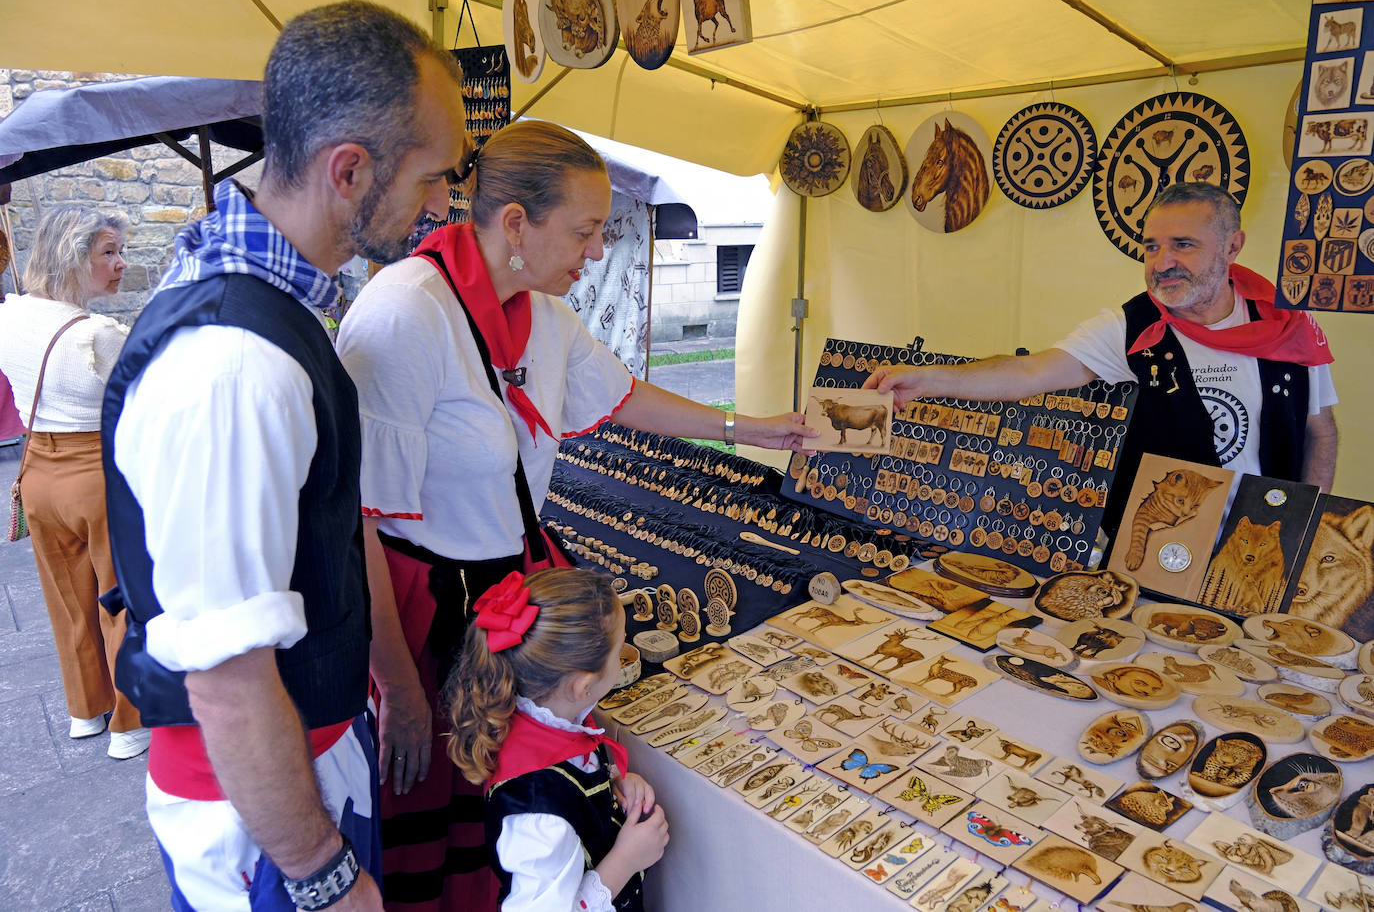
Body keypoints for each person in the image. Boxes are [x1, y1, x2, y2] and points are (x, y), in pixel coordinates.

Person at [335, 119, 811, 911]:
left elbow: (623, 396)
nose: (597, 252)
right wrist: (399, 687)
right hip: (427, 612)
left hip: (515, 590)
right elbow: (361, 524)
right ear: (516, 223)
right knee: (447, 809)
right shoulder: (405, 317)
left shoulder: (546, 318)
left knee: (527, 800)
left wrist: (751, 429)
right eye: (587, 232)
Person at [99, 2, 467, 910]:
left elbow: (327, 527)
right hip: (262, 820)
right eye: (432, 177)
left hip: (300, 767)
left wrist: (390, 681)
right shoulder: (233, 365)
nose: (443, 206)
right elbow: (226, 678)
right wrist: (323, 873)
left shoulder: (273, 313)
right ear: (350, 170)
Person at [867, 182, 1338, 536]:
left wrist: (1305, 529)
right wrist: (928, 378)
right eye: (1152, 246)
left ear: (1232, 246)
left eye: (1183, 245)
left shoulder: (1290, 327)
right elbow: (1030, 373)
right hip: (1158, 540)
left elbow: (1321, 433)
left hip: (1259, 537)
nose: (1162, 262)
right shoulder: (1131, 327)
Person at [0, 204, 148, 759]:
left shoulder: (7, 316)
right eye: (108, 252)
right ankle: (129, 725)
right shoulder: (99, 333)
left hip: (37, 468)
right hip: (96, 472)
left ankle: (86, 711)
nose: (120, 264)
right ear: (71, 256)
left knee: (66, 600)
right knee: (121, 597)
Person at [448, 568, 666, 912]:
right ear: (583, 686)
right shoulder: (536, 809)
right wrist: (627, 860)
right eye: (620, 646)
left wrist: (613, 786)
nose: (624, 649)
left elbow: (573, 779)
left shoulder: (548, 717)